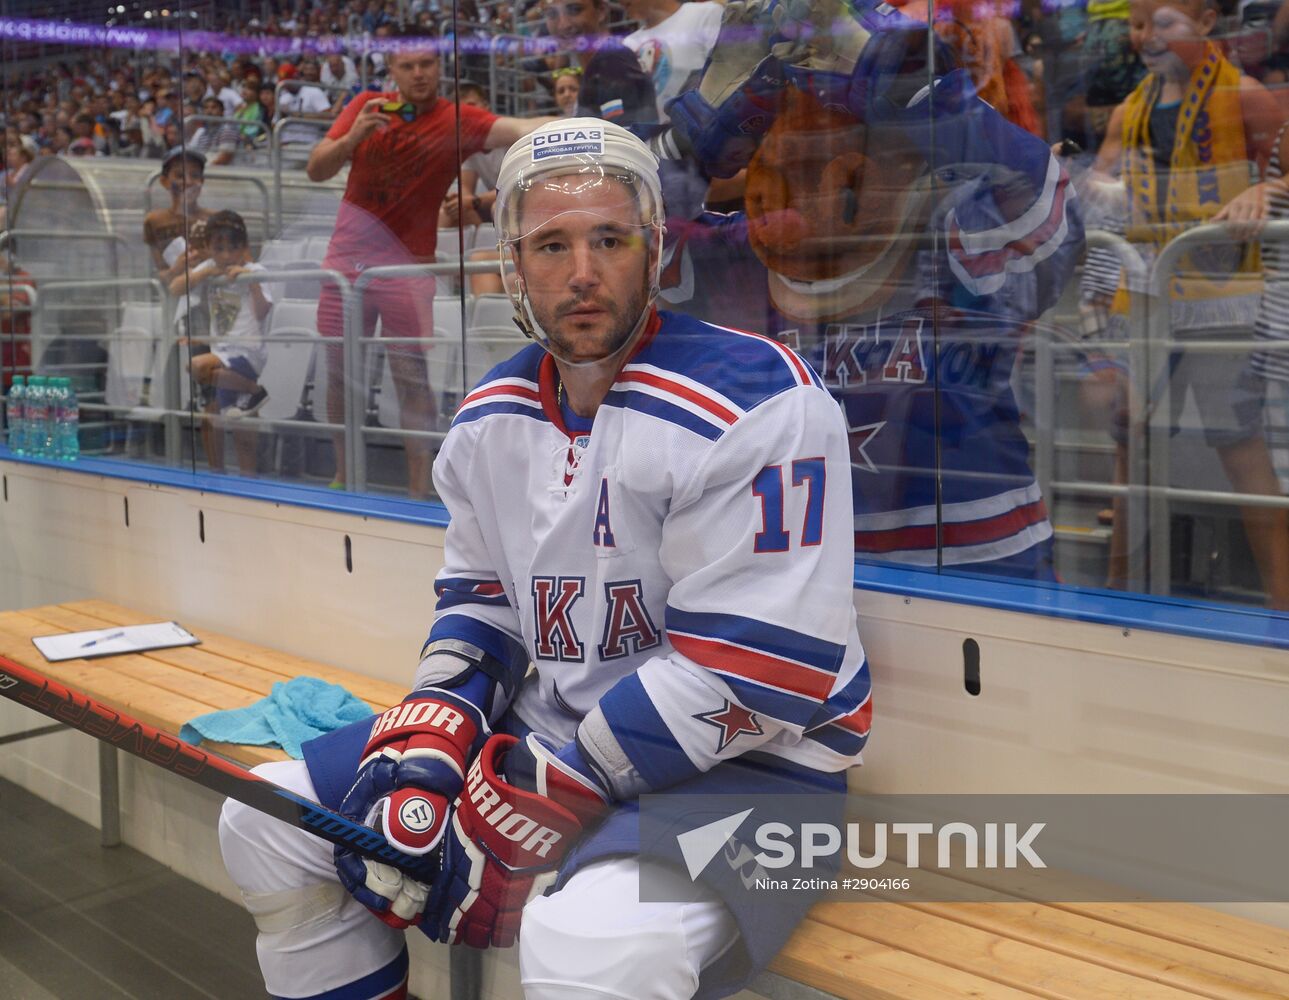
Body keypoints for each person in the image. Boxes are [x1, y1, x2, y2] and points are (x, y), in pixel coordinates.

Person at [220, 117, 870, 1000]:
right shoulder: (488, 415)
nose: (582, 272)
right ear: (511, 264)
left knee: (586, 941)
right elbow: (481, 602)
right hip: (552, 738)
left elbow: (759, 675)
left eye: (610, 238)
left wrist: (540, 789)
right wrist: (437, 730)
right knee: (264, 820)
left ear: (654, 249)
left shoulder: (758, 401)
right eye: (551, 244)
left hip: (762, 769)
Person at [651, 0, 1083, 578]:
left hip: (982, 572)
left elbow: (1047, 210)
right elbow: (625, 240)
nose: (806, 177)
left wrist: (925, 93)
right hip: (803, 586)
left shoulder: (948, 244)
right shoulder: (735, 260)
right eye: (784, 154)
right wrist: (694, 138)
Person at [1080, 0, 1289, 604]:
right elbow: (1103, 207)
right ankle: (1121, 604)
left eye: (1162, 22)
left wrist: (1267, 189)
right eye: (1138, 25)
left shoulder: (1246, 96)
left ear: (1203, 21)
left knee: (1243, 457)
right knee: (1131, 460)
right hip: (1142, 309)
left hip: (1223, 310)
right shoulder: (1128, 112)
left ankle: (1281, 611)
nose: (1146, 37)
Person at [305, 26, 559, 499]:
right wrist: (352, 139)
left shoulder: (458, 119)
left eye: (427, 64)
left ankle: (419, 490)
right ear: (393, 70)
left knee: (411, 378)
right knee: (339, 374)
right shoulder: (365, 107)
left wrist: (577, 127)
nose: (419, 74)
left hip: (407, 268)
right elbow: (316, 167)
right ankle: (343, 476)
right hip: (346, 263)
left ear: (440, 67)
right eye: (408, 66)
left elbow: (519, 128)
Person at [169, 210, 271, 477]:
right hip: (222, 354)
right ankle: (217, 475)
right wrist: (207, 273)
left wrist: (250, 282)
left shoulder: (255, 271)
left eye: (233, 248)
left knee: (196, 367)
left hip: (246, 354)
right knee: (222, 416)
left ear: (245, 247)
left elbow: (262, 312)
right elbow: (175, 288)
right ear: (208, 248)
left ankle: (253, 389)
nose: (226, 255)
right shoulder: (209, 268)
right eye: (219, 248)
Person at [621, 0, 724, 123]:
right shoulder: (627, 44)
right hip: (649, 137)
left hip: (701, 128)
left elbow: (724, 71)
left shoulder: (705, 13)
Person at [142, 147, 214, 287]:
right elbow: (159, 271)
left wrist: (209, 258)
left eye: (195, 175)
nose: (188, 182)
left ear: (202, 181)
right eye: (180, 175)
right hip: (175, 300)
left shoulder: (215, 219)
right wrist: (176, 270)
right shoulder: (154, 221)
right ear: (165, 181)